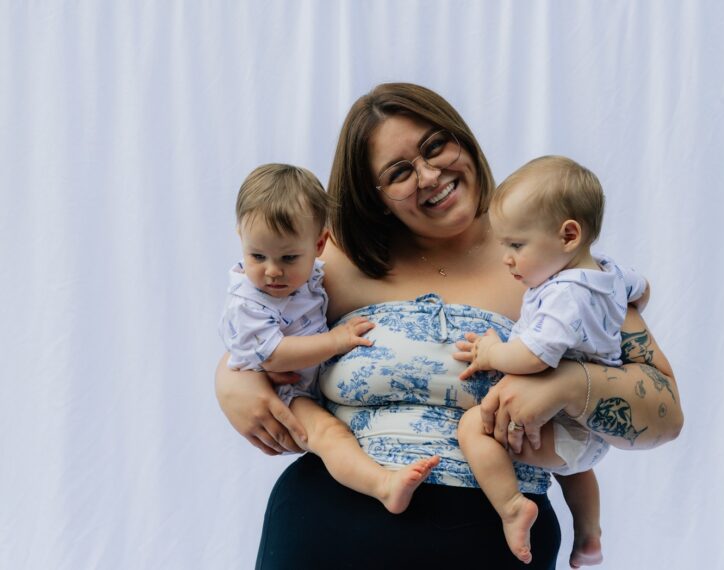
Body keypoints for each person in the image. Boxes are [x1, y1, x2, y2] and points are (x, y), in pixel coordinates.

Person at [214, 83, 683, 570]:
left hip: (495, 547)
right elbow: (253, 333)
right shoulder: (329, 265)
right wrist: (230, 380)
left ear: (463, 137)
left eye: (436, 145)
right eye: (398, 172)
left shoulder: (560, 267)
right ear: (374, 198)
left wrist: (567, 384)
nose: (429, 174)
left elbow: (666, 414)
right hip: (322, 534)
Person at [454, 155, 651, 565]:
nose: (506, 258)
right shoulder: (608, 272)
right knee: (576, 472)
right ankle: (589, 535)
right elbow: (642, 290)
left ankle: (511, 507)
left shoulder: (565, 295)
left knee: (474, 427)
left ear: (568, 236)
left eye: (516, 245)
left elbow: (534, 357)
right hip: (587, 427)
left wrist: (491, 352)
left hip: (564, 426)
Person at [219, 163, 441, 514]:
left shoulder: (313, 276)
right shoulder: (248, 300)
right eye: (257, 256)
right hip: (285, 392)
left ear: (320, 244)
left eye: (289, 257)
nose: (272, 271)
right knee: (330, 435)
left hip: (312, 384)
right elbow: (274, 356)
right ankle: (384, 486)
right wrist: (337, 342)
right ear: (240, 239)